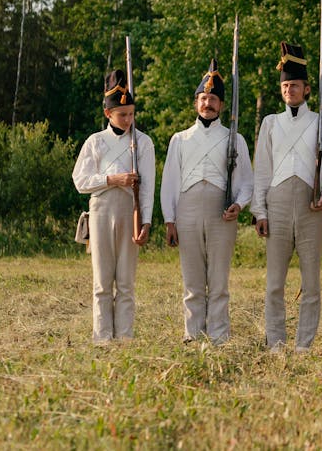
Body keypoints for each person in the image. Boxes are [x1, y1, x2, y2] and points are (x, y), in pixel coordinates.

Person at [251, 42, 322, 354]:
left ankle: (304, 344)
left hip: (309, 203)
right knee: (275, 282)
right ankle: (275, 341)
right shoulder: (270, 123)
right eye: (285, 85)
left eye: (295, 85)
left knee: (311, 281)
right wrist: (259, 210)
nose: (290, 90)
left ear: (306, 89)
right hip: (276, 202)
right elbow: (262, 169)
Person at [160, 58, 254, 346]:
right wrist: (169, 219)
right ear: (196, 102)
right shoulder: (180, 139)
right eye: (203, 98)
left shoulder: (234, 139)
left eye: (213, 99)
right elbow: (170, 181)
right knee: (192, 279)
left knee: (218, 279)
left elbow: (247, 181)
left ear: (221, 105)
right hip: (187, 209)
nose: (208, 103)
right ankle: (193, 333)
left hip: (220, 211)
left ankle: (219, 335)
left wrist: (239, 203)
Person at [72, 69, 155, 344]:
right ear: (108, 114)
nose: (128, 120)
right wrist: (112, 179)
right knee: (102, 282)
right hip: (101, 211)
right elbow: (81, 180)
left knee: (126, 282)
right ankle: (102, 338)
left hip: (129, 211)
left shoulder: (143, 142)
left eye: (131, 113)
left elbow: (148, 187)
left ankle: (125, 338)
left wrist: (146, 222)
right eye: (122, 114)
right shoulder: (95, 141)